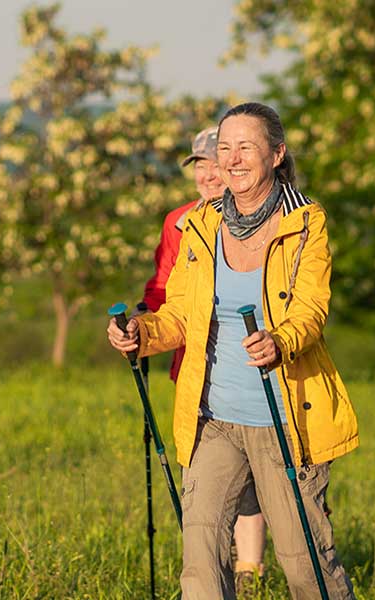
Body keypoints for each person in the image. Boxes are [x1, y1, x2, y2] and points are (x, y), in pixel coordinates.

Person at [108, 102, 358, 599]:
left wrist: (280, 340)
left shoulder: (305, 223)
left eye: (246, 147)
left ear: (276, 153)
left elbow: (311, 308)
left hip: (284, 418)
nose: (233, 159)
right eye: (225, 148)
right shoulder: (200, 225)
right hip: (213, 418)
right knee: (199, 563)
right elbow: (179, 313)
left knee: (305, 564)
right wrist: (140, 333)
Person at [142, 127, 268, 591]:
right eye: (199, 164)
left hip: (254, 364)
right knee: (205, 474)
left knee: (258, 479)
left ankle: (250, 566)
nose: (207, 172)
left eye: (213, 161)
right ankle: (221, 564)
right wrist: (143, 324)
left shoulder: (267, 216)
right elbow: (164, 284)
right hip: (193, 364)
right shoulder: (178, 220)